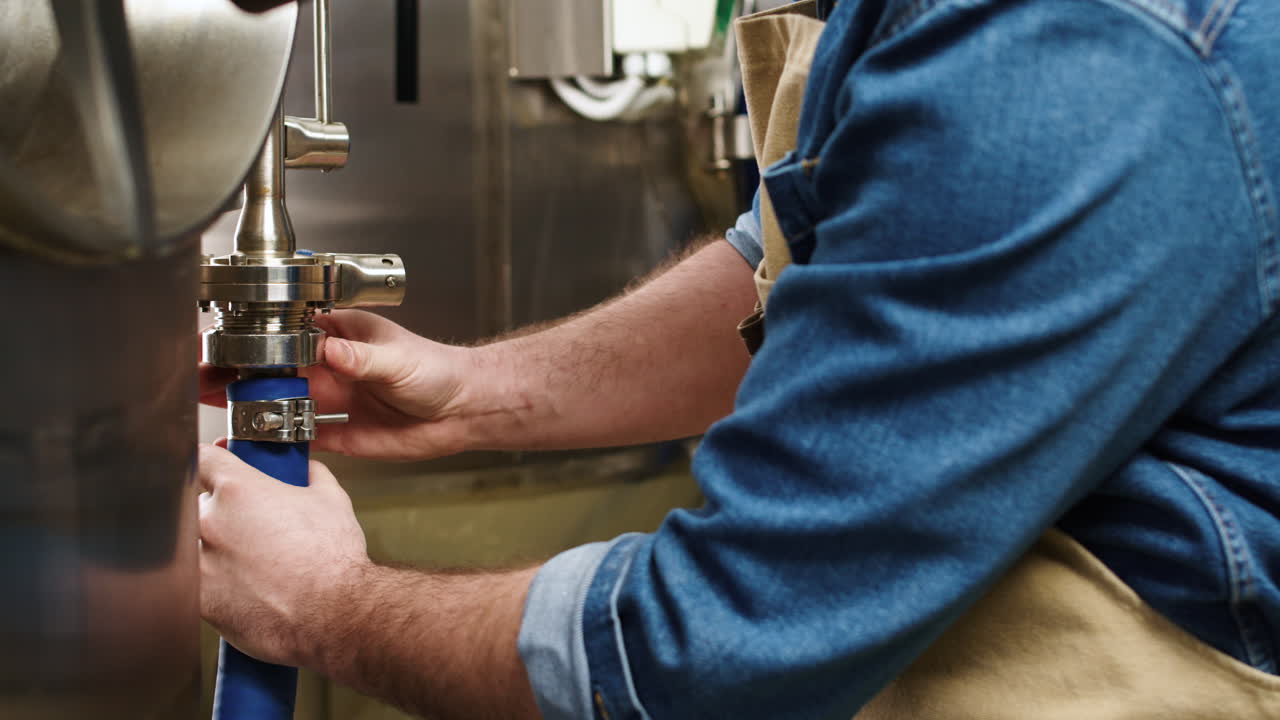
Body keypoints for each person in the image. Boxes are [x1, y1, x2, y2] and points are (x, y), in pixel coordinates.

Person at [198, 0, 1280, 718]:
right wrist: (485, 394)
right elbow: (826, 252)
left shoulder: (1074, 43)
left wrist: (325, 603)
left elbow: (711, 646)